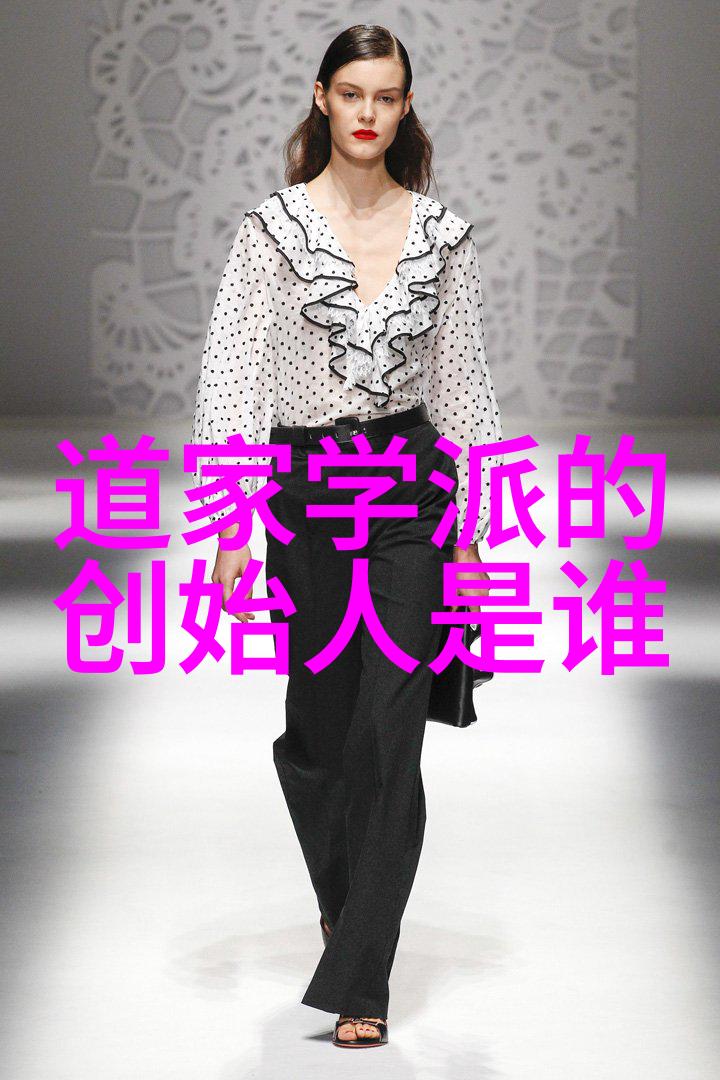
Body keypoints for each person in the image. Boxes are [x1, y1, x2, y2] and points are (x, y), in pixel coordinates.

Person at [191, 23, 503, 1049]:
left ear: (406, 106)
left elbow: (465, 387)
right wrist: (229, 527)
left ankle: (363, 974)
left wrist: (473, 540)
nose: (370, 112)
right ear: (322, 97)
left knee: (391, 729)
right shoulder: (272, 232)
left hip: (410, 491)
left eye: (389, 95)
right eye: (354, 93)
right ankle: (346, 905)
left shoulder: (443, 237)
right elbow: (231, 379)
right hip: (308, 494)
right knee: (320, 735)